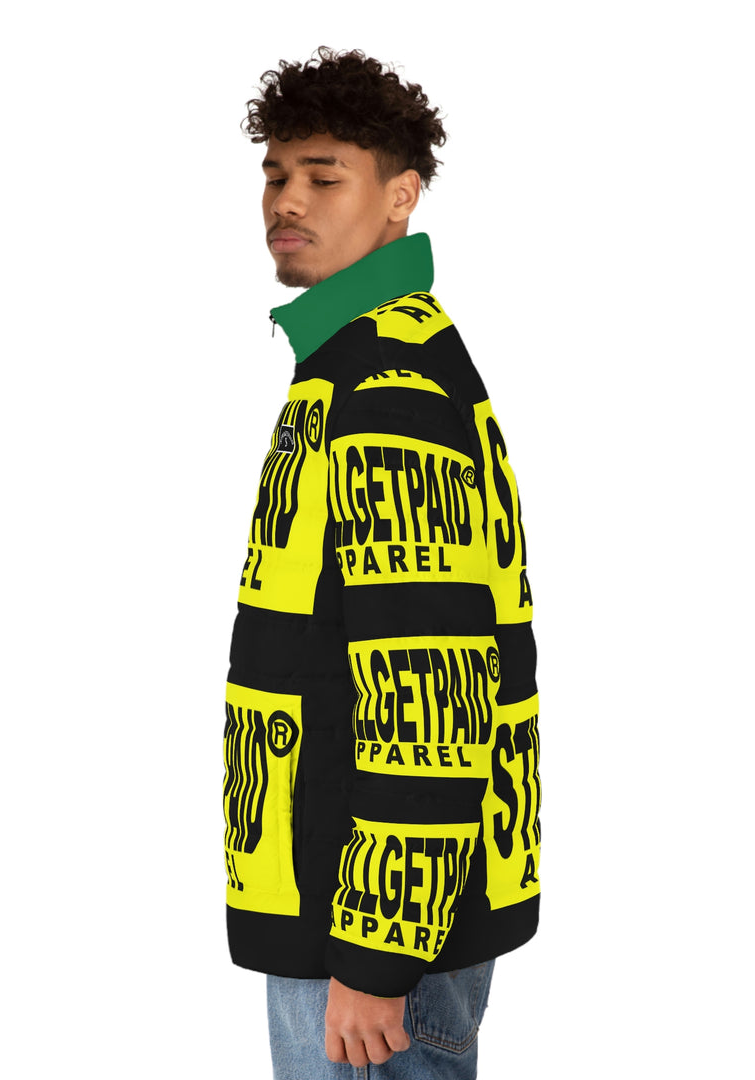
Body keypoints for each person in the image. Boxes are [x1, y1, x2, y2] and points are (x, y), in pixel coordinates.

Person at [222, 47, 540, 1079]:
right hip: (351, 919)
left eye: (324, 177)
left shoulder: (386, 378)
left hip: (366, 944)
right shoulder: (354, 359)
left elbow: (432, 680)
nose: (287, 201)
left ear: (401, 197)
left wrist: (377, 951)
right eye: (276, 175)